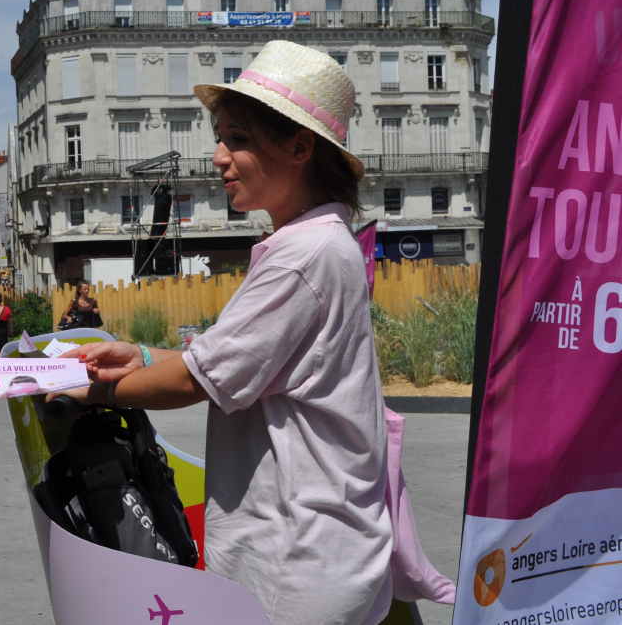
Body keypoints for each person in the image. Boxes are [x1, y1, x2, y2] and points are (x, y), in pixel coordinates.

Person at [54, 42, 392, 625]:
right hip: (323, 552)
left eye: (237, 138)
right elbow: (229, 362)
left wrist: (94, 391)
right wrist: (137, 354)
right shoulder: (319, 243)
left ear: (299, 146)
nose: (218, 157)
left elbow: (193, 379)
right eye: (221, 136)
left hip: (294, 560)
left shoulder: (299, 258)